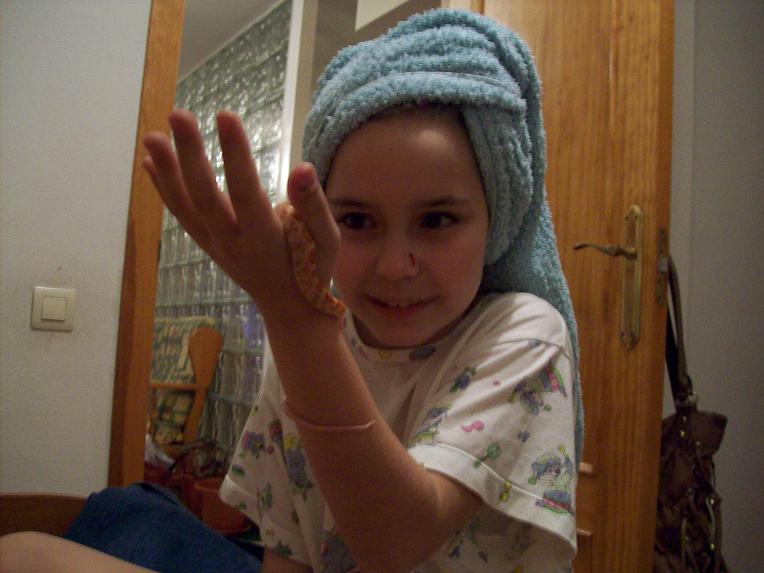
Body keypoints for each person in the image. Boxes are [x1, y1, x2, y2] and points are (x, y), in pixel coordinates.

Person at [0, 8, 581, 573]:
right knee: (23, 550)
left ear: (496, 221)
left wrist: (295, 319)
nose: (395, 266)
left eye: (436, 221)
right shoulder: (309, 345)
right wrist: (296, 325)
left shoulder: (523, 333)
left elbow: (397, 541)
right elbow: (289, 548)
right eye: (358, 220)